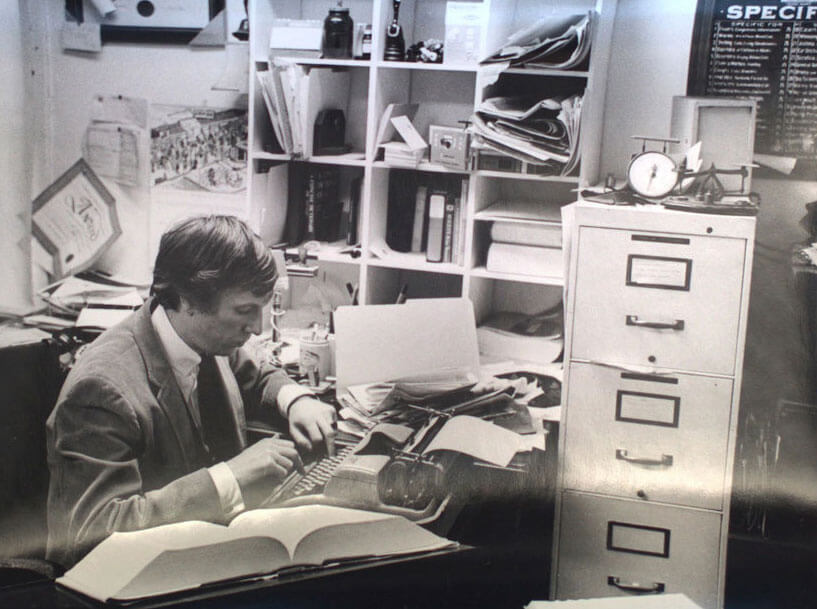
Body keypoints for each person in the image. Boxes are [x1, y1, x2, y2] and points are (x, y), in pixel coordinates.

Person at [46, 215, 337, 568]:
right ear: (188, 301)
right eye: (245, 311)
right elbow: (93, 533)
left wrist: (297, 400)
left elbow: (253, 372)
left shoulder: (203, 337)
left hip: (198, 555)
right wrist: (230, 477)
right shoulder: (101, 391)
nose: (258, 328)